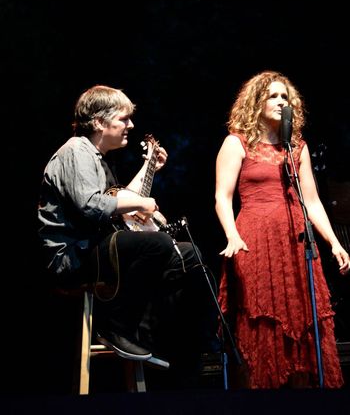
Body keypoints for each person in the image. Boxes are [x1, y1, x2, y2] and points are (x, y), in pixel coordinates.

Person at [38, 84, 217, 385]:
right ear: (98, 122)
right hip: (75, 255)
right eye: (123, 119)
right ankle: (118, 327)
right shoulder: (76, 151)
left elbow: (118, 202)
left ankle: (174, 343)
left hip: (100, 245)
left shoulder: (98, 157)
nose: (130, 126)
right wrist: (141, 202)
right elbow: (93, 206)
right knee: (156, 243)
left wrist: (149, 169)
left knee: (189, 255)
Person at [215, 70, 350, 389]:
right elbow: (222, 196)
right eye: (272, 96)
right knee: (262, 317)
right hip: (255, 239)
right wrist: (232, 234)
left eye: (284, 97)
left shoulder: (296, 146)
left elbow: (313, 201)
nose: (280, 101)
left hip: (293, 240)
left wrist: (334, 242)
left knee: (302, 316)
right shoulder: (237, 142)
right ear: (255, 102)